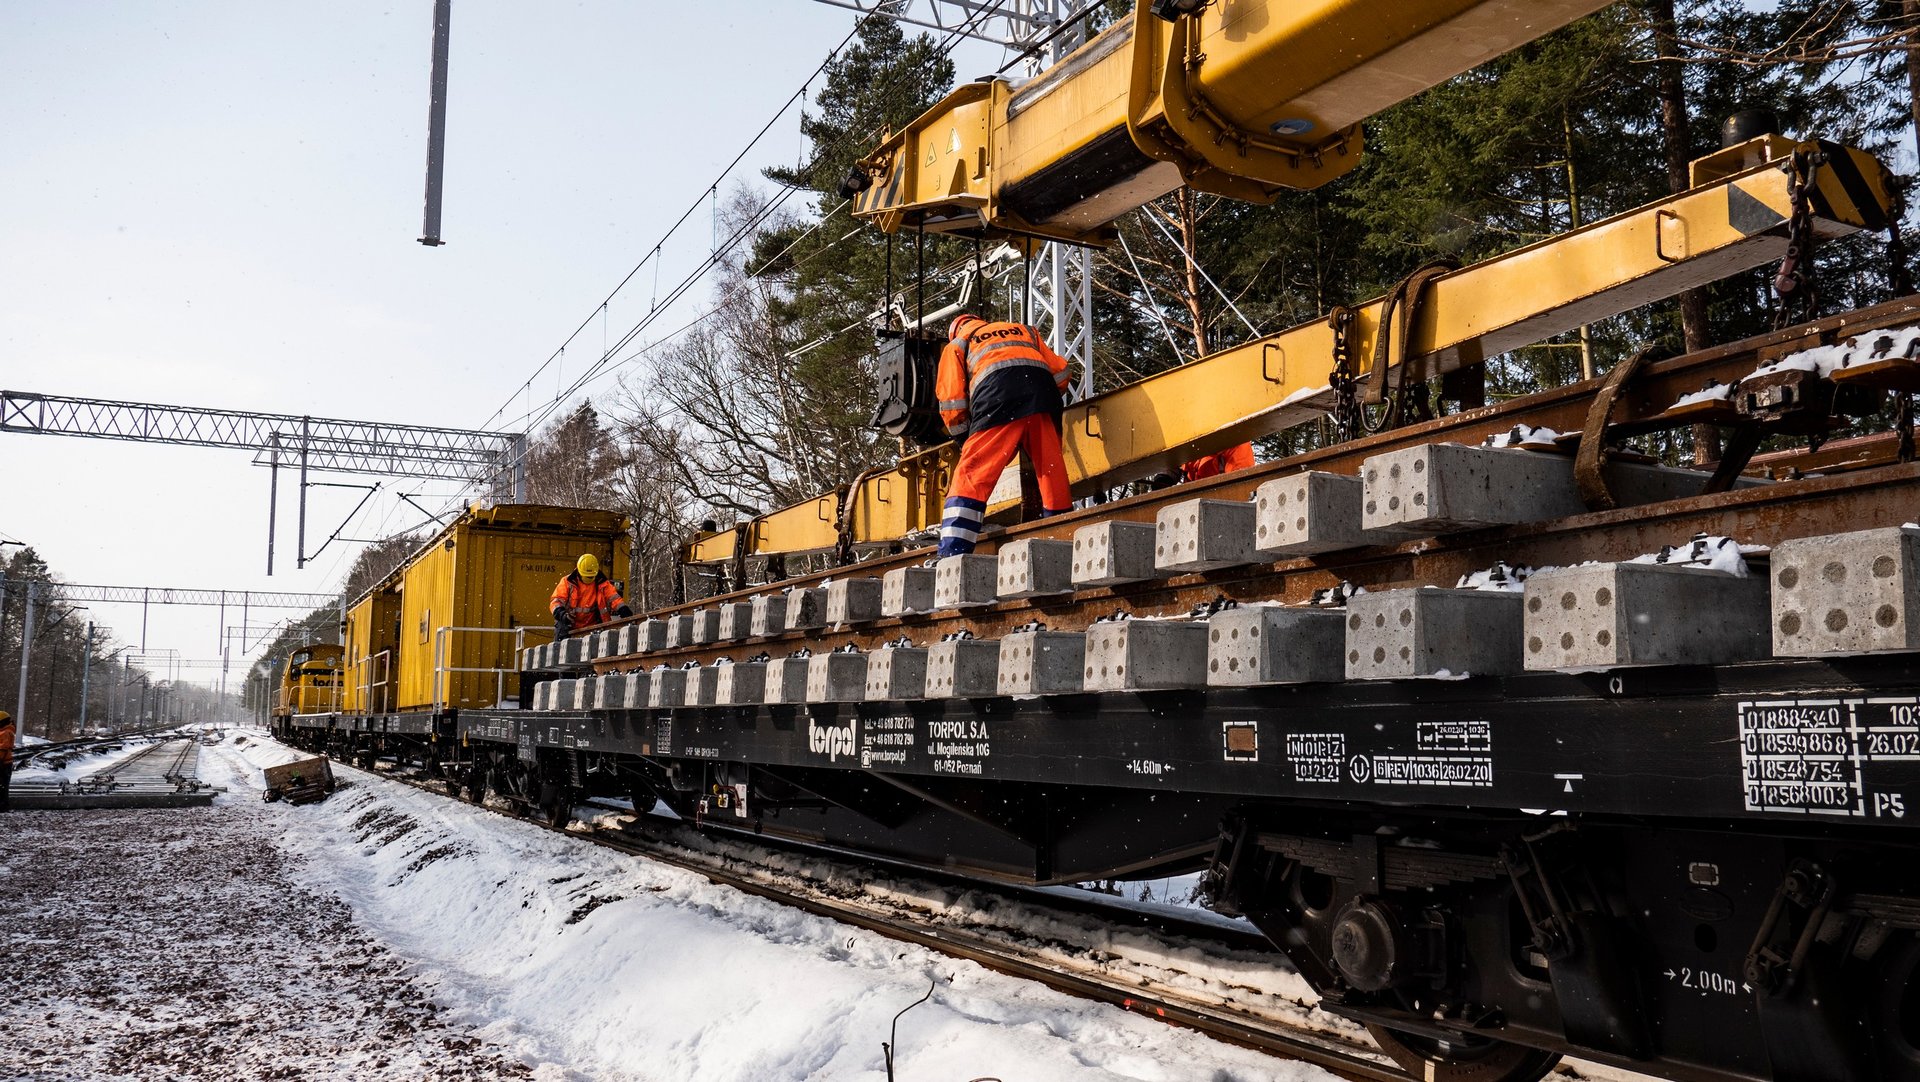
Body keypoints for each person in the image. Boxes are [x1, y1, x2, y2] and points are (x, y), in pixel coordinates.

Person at [935, 313, 1073, 557]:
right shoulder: (1024, 330)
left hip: (998, 398)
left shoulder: (958, 344)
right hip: (1042, 396)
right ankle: (1062, 536)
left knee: (972, 474)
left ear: (955, 330)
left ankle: (953, 552)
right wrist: (1035, 398)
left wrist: (965, 438)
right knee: (1051, 469)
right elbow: (1061, 374)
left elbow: (951, 402)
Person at [549, 554, 631, 640]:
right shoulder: (567, 582)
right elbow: (556, 601)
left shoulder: (603, 583)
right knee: (561, 633)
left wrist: (623, 609)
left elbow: (614, 598)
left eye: (591, 576)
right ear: (579, 572)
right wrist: (562, 615)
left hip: (593, 626)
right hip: (568, 624)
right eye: (587, 576)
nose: (589, 578)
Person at [1182, 442, 1255, 482]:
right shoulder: (1189, 445)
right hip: (1199, 496)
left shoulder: (1236, 442)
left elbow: (1241, 483)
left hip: (1224, 496)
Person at [0, 710, 14, 813]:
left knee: (2, 785)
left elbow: (3, 748)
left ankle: (3, 805)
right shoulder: (4, 731)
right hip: (4, 762)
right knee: (2, 785)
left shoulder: (6, 732)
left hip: (3, 763)